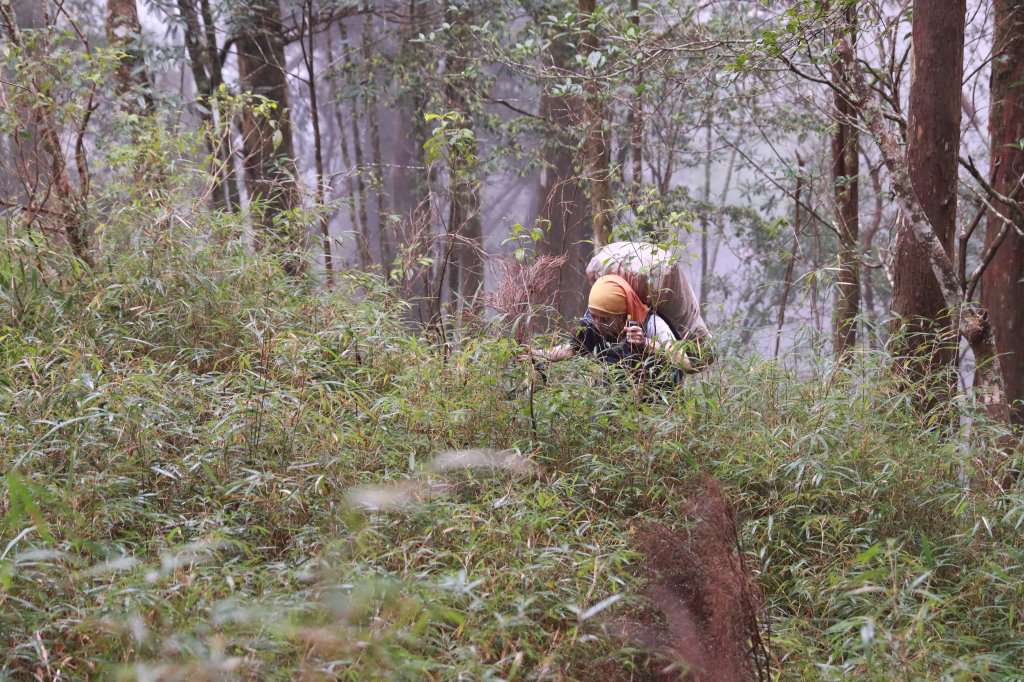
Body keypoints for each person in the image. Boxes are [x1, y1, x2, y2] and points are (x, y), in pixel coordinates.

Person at [523, 274, 695, 386]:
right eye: (593, 316)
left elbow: (685, 363)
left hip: (657, 403)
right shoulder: (591, 322)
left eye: (605, 319)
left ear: (623, 314)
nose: (597, 323)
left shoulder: (652, 324)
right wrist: (536, 353)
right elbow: (570, 350)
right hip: (617, 402)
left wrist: (646, 343)